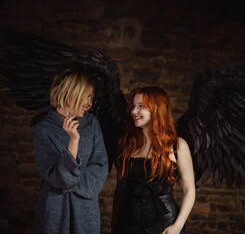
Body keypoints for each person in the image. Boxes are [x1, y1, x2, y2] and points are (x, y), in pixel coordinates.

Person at [32, 69, 108, 234]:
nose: (90, 103)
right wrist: (73, 141)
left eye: (91, 97)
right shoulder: (43, 130)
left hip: (87, 211)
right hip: (55, 210)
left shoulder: (92, 124)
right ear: (72, 93)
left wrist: (70, 179)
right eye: (87, 96)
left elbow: (100, 169)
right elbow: (57, 177)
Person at [111, 86, 195, 234]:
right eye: (133, 106)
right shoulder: (126, 144)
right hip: (128, 224)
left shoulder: (178, 145)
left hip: (165, 224)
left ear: (157, 109)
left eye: (141, 106)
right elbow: (120, 191)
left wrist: (177, 226)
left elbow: (189, 190)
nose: (133, 111)